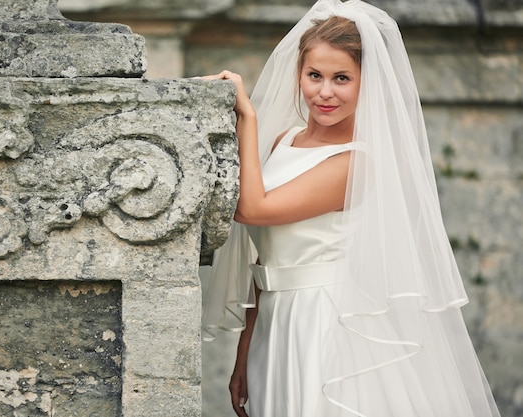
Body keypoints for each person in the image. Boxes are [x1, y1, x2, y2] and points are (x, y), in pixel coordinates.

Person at [201, 0, 502, 416]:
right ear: (299, 74)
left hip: (328, 322)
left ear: (367, 83)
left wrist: (246, 116)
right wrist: (244, 353)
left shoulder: (356, 161)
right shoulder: (283, 142)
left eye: (342, 78)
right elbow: (261, 257)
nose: (325, 92)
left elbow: (251, 210)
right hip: (275, 322)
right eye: (315, 76)